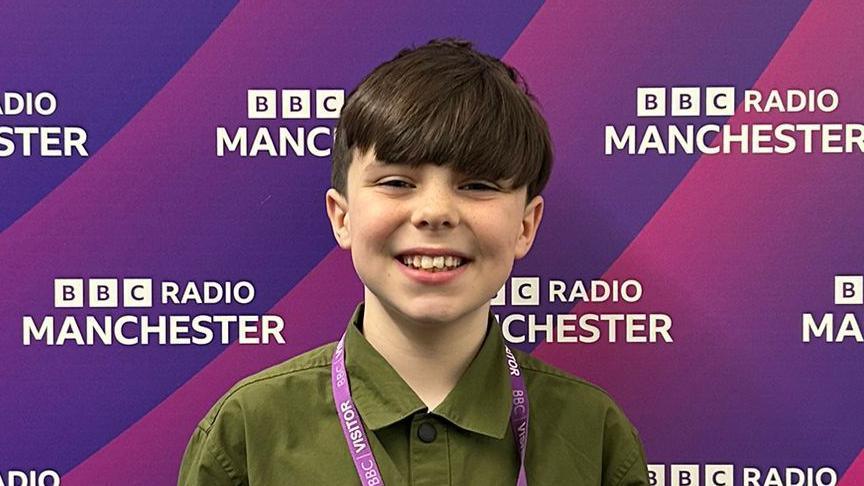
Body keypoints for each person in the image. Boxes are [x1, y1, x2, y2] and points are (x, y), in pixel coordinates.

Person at [178, 38, 649, 485]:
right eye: (398, 183)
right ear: (342, 217)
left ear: (525, 226)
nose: (435, 213)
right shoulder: (247, 431)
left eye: (478, 185)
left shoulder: (594, 434)